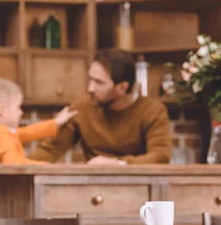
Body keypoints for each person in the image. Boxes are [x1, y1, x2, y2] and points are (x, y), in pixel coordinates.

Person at [29, 49, 172, 164]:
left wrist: (117, 164)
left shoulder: (152, 111)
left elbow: (160, 156)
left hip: (139, 185)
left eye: (99, 82)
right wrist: (17, 166)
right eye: (91, 79)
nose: (90, 88)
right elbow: (51, 149)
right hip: (92, 184)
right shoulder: (82, 106)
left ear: (122, 87)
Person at [0, 77, 77, 164]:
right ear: (2, 110)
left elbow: (29, 132)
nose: (21, 113)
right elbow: (14, 163)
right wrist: (43, 166)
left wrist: (56, 122)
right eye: (18, 107)